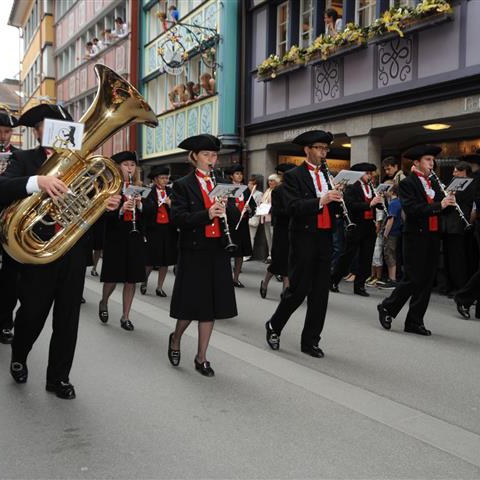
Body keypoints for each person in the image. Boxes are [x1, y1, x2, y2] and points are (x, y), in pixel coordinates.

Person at [1, 103, 121, 399]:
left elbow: (93, 203)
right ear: (38, 131)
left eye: (60, 125)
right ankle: (20, 353)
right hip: (37, 250)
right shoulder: (24, 159)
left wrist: (107, 207)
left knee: (68, 318)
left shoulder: (84, 162)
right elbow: (2, 188)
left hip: (73, 249)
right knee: (32, 312)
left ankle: (58, 378)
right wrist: (37, 182)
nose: (53, 131)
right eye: (46, 126)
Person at [265, 130, 342, 358]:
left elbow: (333, 209)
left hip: (325, 237)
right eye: (319, 148)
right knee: (298, 290)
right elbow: (293, 207)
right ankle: (274, 325)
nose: (323, 153)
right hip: (304, 238)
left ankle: (310, 341)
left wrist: (338, 199)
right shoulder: (294, 176)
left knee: (320, 294)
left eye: (325, 149)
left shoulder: (329, 175)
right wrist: (321, 200)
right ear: (307, 150)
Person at [168, 134, 238, 377]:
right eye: (207, 155)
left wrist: (234, 207)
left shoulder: (221, 182)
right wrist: (206, 214)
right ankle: (176, 338)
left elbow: (233, 217)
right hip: (194, 251)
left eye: (215, 155)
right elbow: (178, 219)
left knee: (210, 307)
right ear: (194, 156)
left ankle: (201, 357)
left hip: (217, 250)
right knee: (190, 305)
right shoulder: (182, 185)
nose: (212, 159)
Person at [377, 145, 457, 336]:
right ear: (417, 163)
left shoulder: (434, 183)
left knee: (427, 280)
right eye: (428, 159)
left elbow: (440, 208)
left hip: (432, 235)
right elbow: (413, 209)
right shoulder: (408, 183)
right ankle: (387, 307)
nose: (432, 163)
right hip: (415, 236)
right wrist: (440, 204)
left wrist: (449, 202)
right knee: (413, 278)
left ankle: (414, 320)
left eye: (432, 160)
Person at [99, 151, 149, 332]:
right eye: (126, 164)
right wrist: (120, 209)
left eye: (132, 165)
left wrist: (140, 205)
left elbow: (149, 214)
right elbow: (103, 216)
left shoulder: (140, 187)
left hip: (134, 237)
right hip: (116, 237)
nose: (130, 168)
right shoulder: (110, 188)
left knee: (132, 279)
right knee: (112, 277)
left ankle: (125, 316)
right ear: (118, 167)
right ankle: (104, 301)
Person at [331, 163, 385, 297]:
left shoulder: (372, 188)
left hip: (369, 226)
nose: (370, 176)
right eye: (368, 173)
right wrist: (369, 204)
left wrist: (380, 202)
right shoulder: (351, 188)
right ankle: (333, 280)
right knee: (348, 256)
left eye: (371, 173)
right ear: (360, 174)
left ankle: (359, 286)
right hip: (356, 225)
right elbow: (351, 205)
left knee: (366, 257)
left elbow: (377, 207)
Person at [260, 163, 296, 298]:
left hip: (294, 229)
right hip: (281, 229)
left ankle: (285, 290)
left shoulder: (296, 189)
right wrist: (292, 210)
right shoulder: (278, 191)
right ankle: (265, 283)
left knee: (289, 261)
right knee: (278, 261)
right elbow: (276, 211)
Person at [141, 165, 177, 297]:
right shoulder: (148, 192)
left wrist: (170, 204)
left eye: (166, 178)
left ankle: (159, 287)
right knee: (151, 260)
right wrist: (155, 205)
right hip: (153, 229)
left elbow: (179, 209)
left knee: (165, 260)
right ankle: (144, 281)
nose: (165, 180)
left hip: (168, 228)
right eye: (162, 178)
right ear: (155, 179)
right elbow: (144, 210)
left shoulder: (172, 192)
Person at [442, 160, 476, 294]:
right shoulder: (452, 183)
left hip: (458, 225)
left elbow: (464, 201)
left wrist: (451, 193)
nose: (453, 173)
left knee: (458, 258)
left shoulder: (470, 184)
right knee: (448, 257)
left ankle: (459, 286)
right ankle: (448, 285)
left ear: (464, 172)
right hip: (448, 225)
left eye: (456, 171)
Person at [0, 110, 19, 344]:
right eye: (1, 131)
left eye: (7, 132)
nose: (4, 136)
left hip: (11, 224)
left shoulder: (19, 157)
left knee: (10, 278)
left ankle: (5, 323)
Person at [227, 164, 253, 288]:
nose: (240, 176)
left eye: (241, 174)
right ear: (231, 176)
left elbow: (253, 206)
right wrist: (234, 208)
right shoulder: (226, 188)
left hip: (242, 224)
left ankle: (235, 278)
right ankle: (225, 277)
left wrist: (249, 209)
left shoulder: (246, 189)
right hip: (230, 224)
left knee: (240, 253)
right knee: (227, 252)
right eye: (237, 174)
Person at [381, 184, 402, 289]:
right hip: (398, 232)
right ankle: (392, 278)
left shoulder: (393, 204)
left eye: (388, 189)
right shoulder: (399, 202)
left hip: (392, 233)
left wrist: (385, 232)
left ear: (393, 192)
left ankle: (392, 279)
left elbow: (391, 219)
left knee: (389, 254)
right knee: (392, 254)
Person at [259, 174, 280, 262]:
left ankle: (274, 255)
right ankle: (270, 254)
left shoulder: (277, 191)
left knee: (273, 236)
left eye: (272, 180)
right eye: (269, 181)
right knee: (268, 237)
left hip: (272, 217)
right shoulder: (267, 190)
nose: (270, 182)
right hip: (265, 216)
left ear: (277, 182)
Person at [246, 174, 263, 261]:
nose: (249, 185)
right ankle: (246, 253)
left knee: (251, 235)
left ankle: (248, 254)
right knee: (247, 236)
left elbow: (259, 206)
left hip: (254, 216)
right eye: (249, 183)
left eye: (251, 184)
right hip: (247, 216)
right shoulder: (247, 193)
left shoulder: (259, 194)